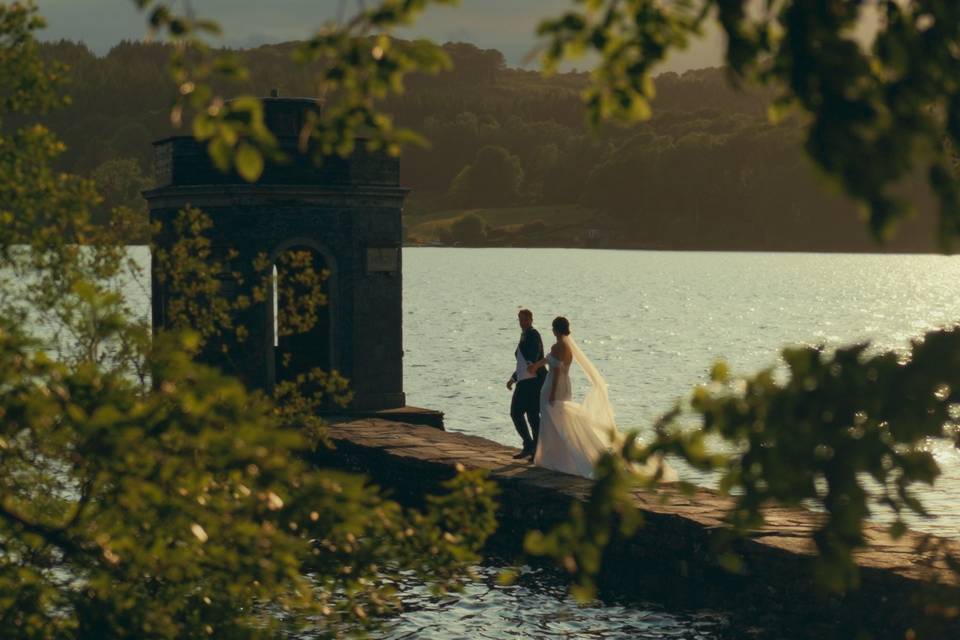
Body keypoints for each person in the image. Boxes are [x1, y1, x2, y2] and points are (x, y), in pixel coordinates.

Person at [527, 316, 676, 480]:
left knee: (553, 421)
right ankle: (559, 458)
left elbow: (555, 371)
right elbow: (550, 361)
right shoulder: (568, 348)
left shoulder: (557, 346)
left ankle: (554, 458)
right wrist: (536, 366)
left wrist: (553, 394)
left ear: (555, 330)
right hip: (566, 386)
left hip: (554, 387)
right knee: (562, 422)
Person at [506, 309, 546, 460]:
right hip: (524, 380)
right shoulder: (524, 335)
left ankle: (534, 448)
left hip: (534, 380)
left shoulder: (533, 334)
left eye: (525, 320)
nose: (522, 323)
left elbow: (534, 355)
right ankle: (530, 445)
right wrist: (513, 379)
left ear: (531, 319)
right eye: (520, 320)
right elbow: (521, 364)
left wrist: (531, 362)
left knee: (531, 415)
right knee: (520, 413)